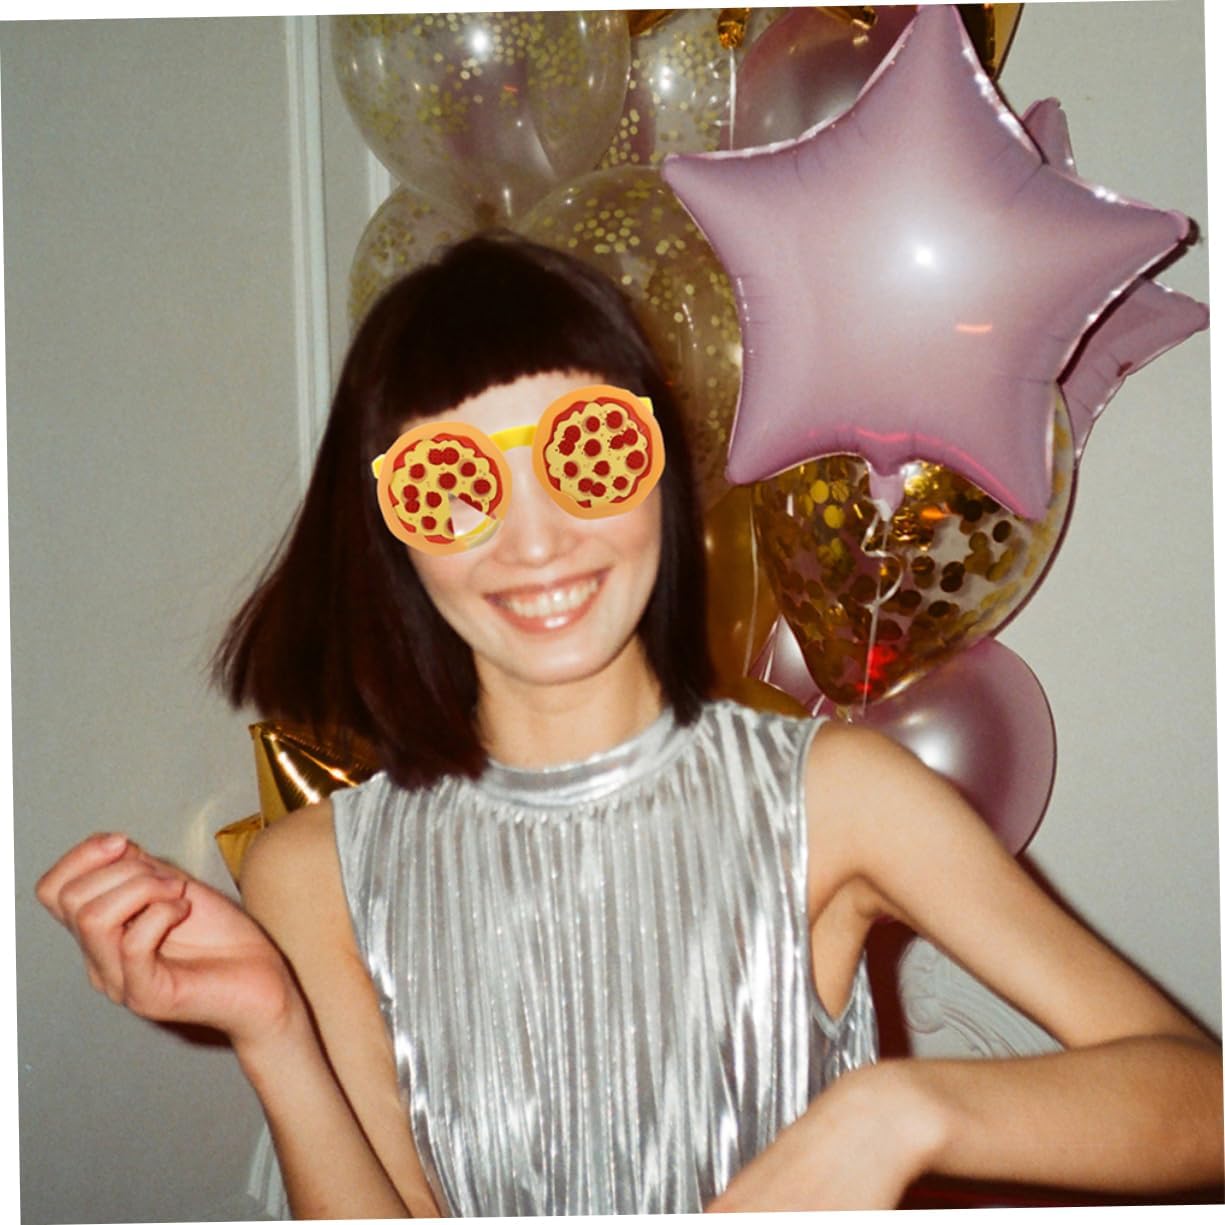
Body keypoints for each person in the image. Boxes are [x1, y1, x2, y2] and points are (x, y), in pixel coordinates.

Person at [37, 234, 1222, 1216]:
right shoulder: (312, 872)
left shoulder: (835, 797)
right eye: (453, 484)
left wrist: (902, 1110)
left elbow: (1202, 1102)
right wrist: (272, 1029)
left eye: (587, 455)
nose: (534, 540)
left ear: (658, 471)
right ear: (391, 528)